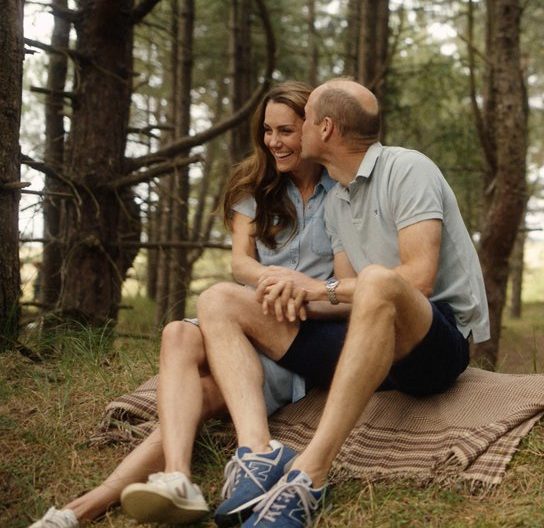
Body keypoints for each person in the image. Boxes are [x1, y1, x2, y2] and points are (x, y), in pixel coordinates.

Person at [28, 81, 341, 528]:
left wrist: (303, 289)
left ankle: (83, 509)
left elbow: (343, 282)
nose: (274, 141)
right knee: (177, 332)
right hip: (246, 315)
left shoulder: (341, 191)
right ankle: (178, 477)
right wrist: (276, 279)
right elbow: (240, 264)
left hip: (292, 337)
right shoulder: (255, 186)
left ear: (312, 130)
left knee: (203, 399)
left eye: (286, 131)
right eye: (268, 131)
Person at [196, 78, 490, 527]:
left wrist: (317, 288)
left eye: (305, 121)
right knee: (220, 298)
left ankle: (309, 476)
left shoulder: (408, 169)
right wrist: (294, 296)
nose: (294, 131)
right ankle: (257, 455)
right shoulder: (339, 198)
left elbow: (417, 279)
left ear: (325, 128)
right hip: (368, 346)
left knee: (377, 281)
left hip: (433, 343)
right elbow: (347, 301)